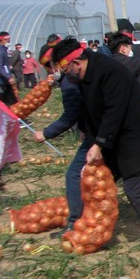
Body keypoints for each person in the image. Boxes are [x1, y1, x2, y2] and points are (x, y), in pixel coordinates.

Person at [50, 38, 140, 246]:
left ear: (74, 62)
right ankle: (84, 226)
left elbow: (114, 111)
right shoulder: (86, 75)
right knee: (86, 176)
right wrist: (87, 131)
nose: (65, 75)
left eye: (64, 70)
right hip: (122, 138)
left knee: (135, 188)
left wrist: (99, 143)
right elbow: (90, 108)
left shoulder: (108, 70)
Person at [34, 43, 88, 238]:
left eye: (49, 67)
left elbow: (70, 115)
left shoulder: (68, 82)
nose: (49, 72)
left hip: (100, 134)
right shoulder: (75, 77)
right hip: (100, 130)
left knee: (74, 174)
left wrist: (46, 133)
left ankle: (75, 223)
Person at [0, 31, 18, 106]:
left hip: (4, 79)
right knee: (3, 100)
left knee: (11, 101)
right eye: (8, 40)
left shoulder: (3, 50)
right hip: (0, 80)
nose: (9, 41)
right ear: (3, 40)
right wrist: (8, 77)